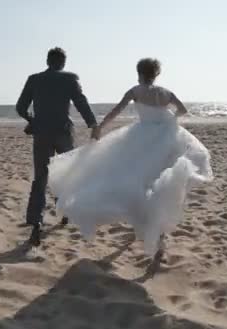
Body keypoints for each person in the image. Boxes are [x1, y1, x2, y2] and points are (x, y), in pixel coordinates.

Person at [48, 58, 213, 256]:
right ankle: (158, 234)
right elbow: (183, 110)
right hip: (166, 139)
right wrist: (168, 120)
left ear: (140, 73)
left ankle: (142, 222)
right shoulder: (166, 92)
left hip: (141, 137)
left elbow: (116, 111)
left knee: (137, 178)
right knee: (160, 180)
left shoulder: (135, 91)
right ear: (156, 74)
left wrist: (100, 127)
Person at [16, 47, 99, 246]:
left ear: (47, 61)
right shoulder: (70, 78)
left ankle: (36, 224)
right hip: (63, 132)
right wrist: (93, 124)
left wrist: (32, 119)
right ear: (63, 62)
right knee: (65, 174)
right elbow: (81, 102)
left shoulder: (34, 79)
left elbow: (20, 107)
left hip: (41, 133)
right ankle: (65, 213)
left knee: (40, 178)